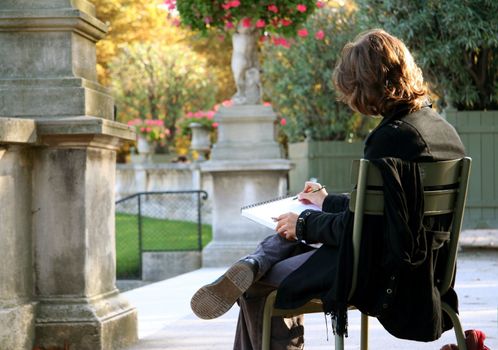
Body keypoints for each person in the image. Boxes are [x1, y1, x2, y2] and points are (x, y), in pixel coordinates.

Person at [190, 28, 466, 349]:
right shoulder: (442, 131)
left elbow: (362, 231)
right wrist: (325, 201)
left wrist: (304, 223)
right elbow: (386, 209)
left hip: (380, 272)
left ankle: (256, 263)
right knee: (288, 240)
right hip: (429, 269)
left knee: (255, 287)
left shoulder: (391, 137)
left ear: (365, 84)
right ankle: (257, 260)